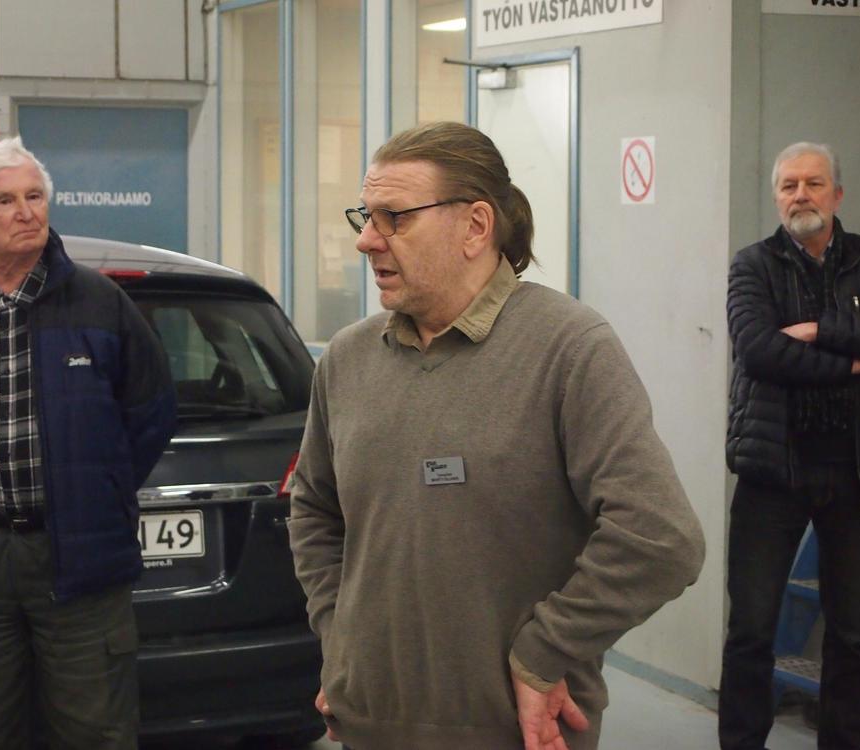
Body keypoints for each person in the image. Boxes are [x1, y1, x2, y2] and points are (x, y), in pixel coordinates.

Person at [288, 121, 705, 750]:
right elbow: (315, 510)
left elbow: (660, 537)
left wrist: (545, 651)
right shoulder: (348, 359)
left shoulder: (569, 347)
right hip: (371, 723)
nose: (366, 240)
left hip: (520, 731)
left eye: (393, 218)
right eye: (365, 216)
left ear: (476, 226)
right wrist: (340, 635)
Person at [0, 137, 176, 749]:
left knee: (95, 732)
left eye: (35, 196)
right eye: (5, 201)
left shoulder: (100, 302)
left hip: (78, 556)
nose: (26, 212)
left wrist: (96, 489)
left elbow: (151, 411)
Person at [720, 142, 860, 750]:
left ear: (838, 194)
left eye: (814, 183)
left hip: (855, 476)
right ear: (777, 198)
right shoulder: (752, 266)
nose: (801, 195)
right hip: (772, 475)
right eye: (789, 185)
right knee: (751, 632)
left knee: (851, 636)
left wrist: (817, 329)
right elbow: (759, 351)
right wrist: (856, 360)